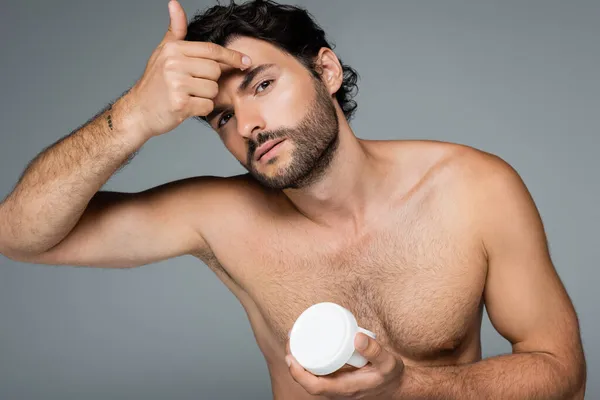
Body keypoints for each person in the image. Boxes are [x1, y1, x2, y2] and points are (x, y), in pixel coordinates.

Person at [0, 0, 586, 398]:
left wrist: (409, 388)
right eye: (223, 116)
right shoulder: (218, 218)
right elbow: (19, 235)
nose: (248, 124)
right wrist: (132, 117)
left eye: (263, 85)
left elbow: (563, 373)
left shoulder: (472, 189)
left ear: (325, 70)